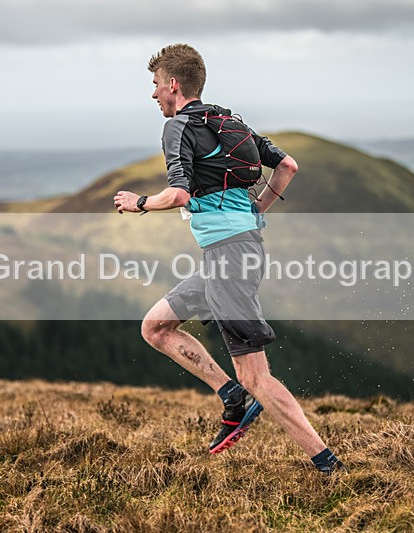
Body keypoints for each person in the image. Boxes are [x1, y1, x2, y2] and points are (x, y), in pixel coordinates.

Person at [113, 44, 342, 474]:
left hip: (229, 261)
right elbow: (288, 166)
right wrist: (258, 209)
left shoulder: (178, 127)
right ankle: (230, 396)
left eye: (156, 85)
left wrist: (139, 202)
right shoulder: (229, 119)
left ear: (173, 85)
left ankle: (326, 462)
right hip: (235, 254)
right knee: (156, 327)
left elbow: (178, 194)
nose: (154, 94)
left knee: (256, 377)